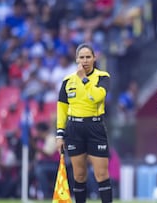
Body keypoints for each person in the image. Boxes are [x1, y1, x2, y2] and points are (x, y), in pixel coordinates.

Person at [55, 43, 112, 203]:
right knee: (79, 175)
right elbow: (62, 109)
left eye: (88, 57)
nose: (85, 60)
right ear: (76, 59)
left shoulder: (102, 77)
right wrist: (60, 134)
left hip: (95, 127)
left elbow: (97, 97)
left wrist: (84, 79)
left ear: (94, 58)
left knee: (101, 174)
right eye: (81, 57)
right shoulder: (67, 81)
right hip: (74, 129)